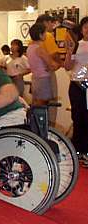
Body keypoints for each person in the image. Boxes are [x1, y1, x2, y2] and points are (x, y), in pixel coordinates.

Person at [64, 16, 88, 166]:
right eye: (85, 27)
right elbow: (67, 66)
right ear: (81, 29)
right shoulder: (77, 45)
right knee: (78, 118)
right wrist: (70, 52)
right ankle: (78, 151)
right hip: (77, 85)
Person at [36, 14, 62, 126]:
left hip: (36, 78)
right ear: (46, 23)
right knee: (51, 105)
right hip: (47, 76)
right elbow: (55, 55)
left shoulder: (33, 41)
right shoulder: (48, 36)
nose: (53, 25)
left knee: (38, 105)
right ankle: (50, 132)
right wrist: (59, 63)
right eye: (52, 23)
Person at [27, 23, 59, 106]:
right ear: (40, 35)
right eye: (45, 33)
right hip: (43, 79)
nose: (46, 34)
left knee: (36, 103)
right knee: (43, 105)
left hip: (35, 79)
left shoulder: (29, 47)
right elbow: (52, 65)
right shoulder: (40, 49)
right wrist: (59, 64)